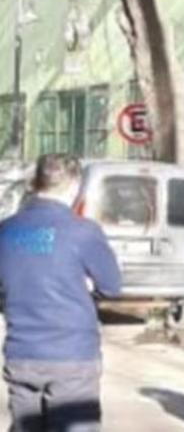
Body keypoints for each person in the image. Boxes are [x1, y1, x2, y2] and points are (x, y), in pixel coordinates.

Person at [0, 154, 122, 432]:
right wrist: (84, 285)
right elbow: (111, 286)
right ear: (74, 185)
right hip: (72, 356)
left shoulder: (5, 231)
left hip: (22, 355)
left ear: (36, 182)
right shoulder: (84, 231)